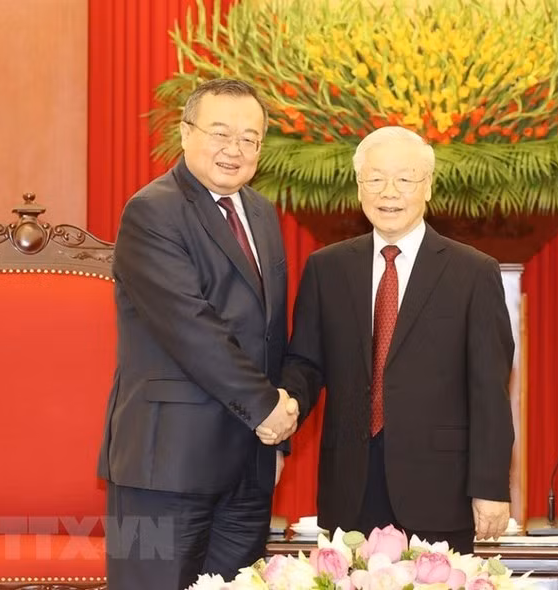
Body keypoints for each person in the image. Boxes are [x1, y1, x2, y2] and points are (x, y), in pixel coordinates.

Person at [262, 126, 515, 554]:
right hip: (350, 485)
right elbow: (305, 363)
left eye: (405, 179)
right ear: (359, 186)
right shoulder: (327, 268)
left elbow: (489, 389)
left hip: (440, 488)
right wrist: (283, 416)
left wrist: (490, 486)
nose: (389, 192)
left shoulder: (473, 273)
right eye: (376, 179)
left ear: (428, 186)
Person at [98, 78, 298, 590]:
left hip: (248, 466)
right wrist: (268, 409)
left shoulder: (260, 212)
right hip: (166, 465)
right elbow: (191, 328)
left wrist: (275, 443)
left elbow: (269, 334)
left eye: (250, 138)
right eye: (220, 133)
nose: (235, 149)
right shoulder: (152, 210)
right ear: (186, 133)